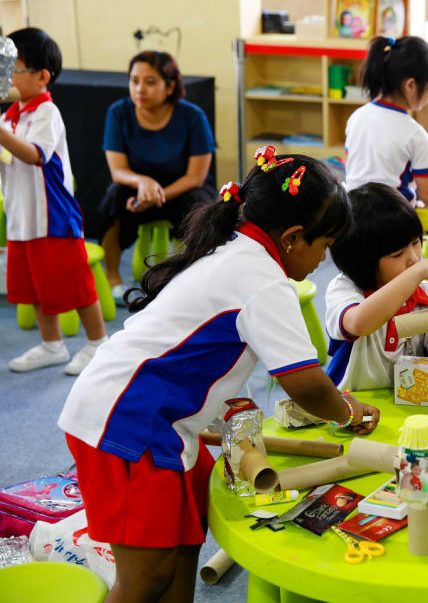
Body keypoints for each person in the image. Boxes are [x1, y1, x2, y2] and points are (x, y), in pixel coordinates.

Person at [58, 151, 381, 603]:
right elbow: (306, 385)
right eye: (324, 245)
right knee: (145, 577)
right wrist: (348, 410)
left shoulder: (238, 248)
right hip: (128, 422)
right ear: (291, 238)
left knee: (186, 542)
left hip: (160, 420)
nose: (323, 259)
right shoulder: (264, 280)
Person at [0, 27, 107, 374]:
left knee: (72, 280)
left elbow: (34, 155)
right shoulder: (10, 115)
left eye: (12, 68)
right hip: (21, 215)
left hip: (52, 215)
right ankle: (52, 344)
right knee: (35, 283)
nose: (5, 77)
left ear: (42, 76)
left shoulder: (46, 113)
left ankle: (97, 342)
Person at [326, 183, 428, 392]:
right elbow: (358, 323)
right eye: (397, 254)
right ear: (362, 259)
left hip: (411, 406)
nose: (413, 258)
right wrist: (418, 272)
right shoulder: (343, 289)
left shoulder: (427, 294)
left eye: (415, 243)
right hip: (354, 409)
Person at [101, 50, 216, 303]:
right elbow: (118, 171)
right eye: (134, 81)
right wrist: (144, 183)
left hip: (182, 189)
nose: (140, 89)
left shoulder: (192, 116)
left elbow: (195, 176)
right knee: (114, 196)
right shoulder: (119, 112)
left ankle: (192, 279)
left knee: (201, 203)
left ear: (170, 85)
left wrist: (156, 195)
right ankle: (112, 278)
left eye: (150, 82)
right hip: (136, 189)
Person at [345, 36, 428, 235]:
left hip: (351, 220)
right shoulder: (415, 134)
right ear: (410, 86)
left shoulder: (356, 117)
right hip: (392, 224)